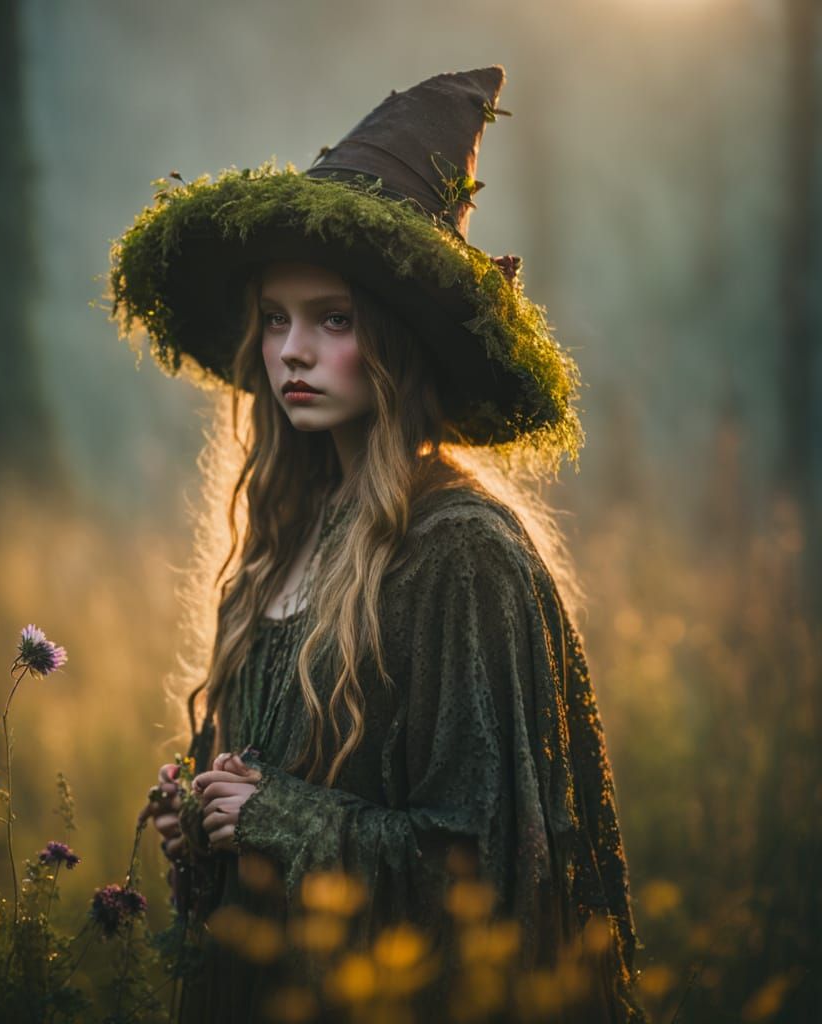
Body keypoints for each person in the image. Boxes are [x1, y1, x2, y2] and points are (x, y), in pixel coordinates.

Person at [110, 67, 647, 1023]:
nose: (292, 352)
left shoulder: (461, 556)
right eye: (276, 319)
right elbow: (262, 811)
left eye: (334, 319)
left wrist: (276, 817)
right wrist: (203, 822)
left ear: (394, 339)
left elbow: (484, 866)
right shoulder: (280, 541)